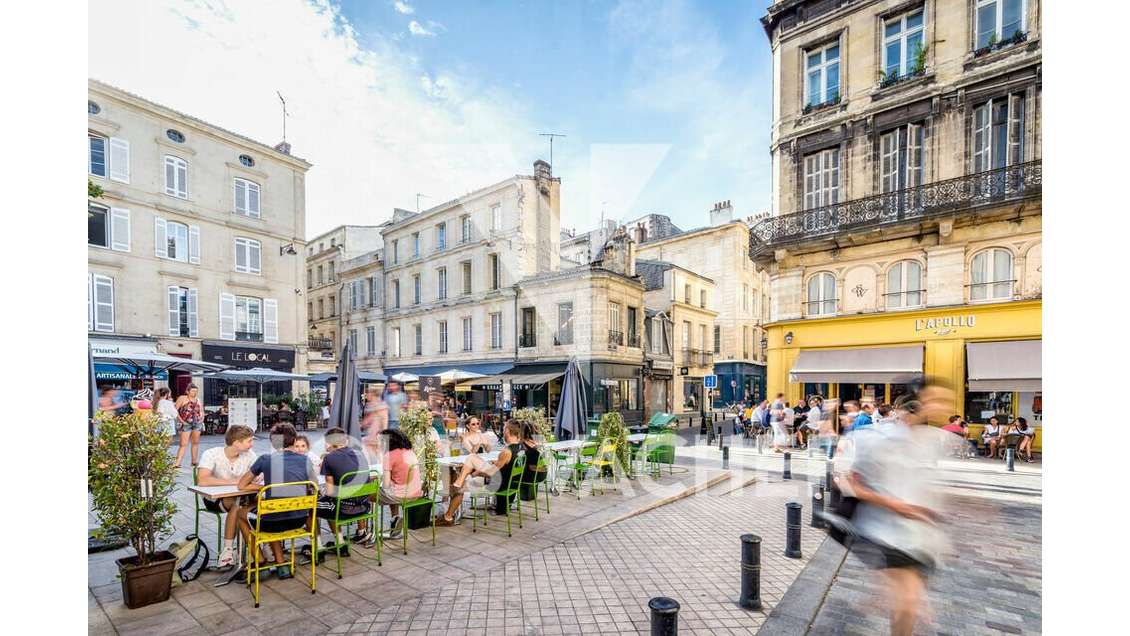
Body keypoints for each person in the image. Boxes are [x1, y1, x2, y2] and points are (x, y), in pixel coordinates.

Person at [237, 423, 319, 580]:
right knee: (274, 511)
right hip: (299, 520)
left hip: (272, 522)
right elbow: (313, 486)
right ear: (294, 440)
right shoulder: (305, 460)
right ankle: (281, 564)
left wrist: (265, 488)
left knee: (242, 513)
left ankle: (260, 560)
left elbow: (242, 485)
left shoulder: (265, 459)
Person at [198, 426, 259, 568]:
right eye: (249, 441)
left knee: (248, 502)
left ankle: (247, 549)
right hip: (215, 499)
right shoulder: (212, 454)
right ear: (237, 443)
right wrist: (236, 482)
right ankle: (229, 550)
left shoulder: (250, 455)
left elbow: (257, 476)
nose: (252, 444)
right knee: (239, 503)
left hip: (243, 496)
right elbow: (203, 480)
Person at [450, 421, 525, 516]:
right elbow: (507, 465)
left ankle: (451, 510)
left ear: (507, 431)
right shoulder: (521, 447)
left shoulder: (506, 452)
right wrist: (495, 463)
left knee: (469, 463)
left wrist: (476, 473)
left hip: (498, 485)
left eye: (504, 429)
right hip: (512, 485)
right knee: (470, 467)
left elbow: (491, 473)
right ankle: (459, 483)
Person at [317, 427, 374, 549]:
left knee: (313, 505)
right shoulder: (360, 454)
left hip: (343, 510)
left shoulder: (328, 458)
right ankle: (361, 531)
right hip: (364, 507)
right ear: (346, 441)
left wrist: (321, 491)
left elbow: (330, 492)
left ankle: (335, 542)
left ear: (328, 443)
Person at [377, 429, 422, 539]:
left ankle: (365, 532)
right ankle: (395, 521)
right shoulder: (409, 451)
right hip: (416, 492)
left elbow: (386, 485)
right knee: (394, 487)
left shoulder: (389, 455)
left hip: (401, 495)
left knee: (366, 495)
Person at [174, 384, 204, 469]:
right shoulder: (182, 398)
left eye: (196, 391)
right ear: (187, 391)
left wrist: (202, 419)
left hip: (197, 423)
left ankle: (194, 461)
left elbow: (201, 410)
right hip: (186, 423)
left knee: (195, 443)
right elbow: (175, 410)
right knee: (183, 444)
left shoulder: (198, 399)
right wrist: (181, 421)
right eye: (193, 391)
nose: (195, 393)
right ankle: (177, 463)